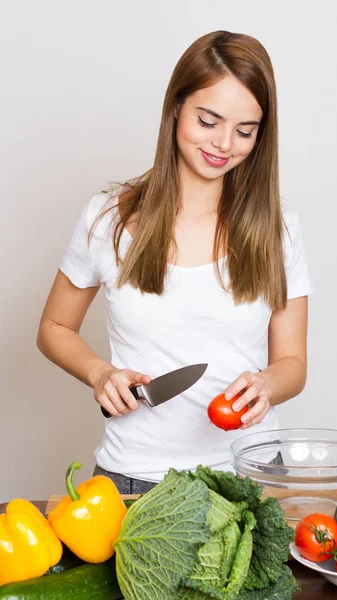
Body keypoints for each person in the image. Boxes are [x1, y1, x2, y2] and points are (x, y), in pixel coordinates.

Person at [37, 30, 314, 495]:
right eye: (208, 121)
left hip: (250, 473)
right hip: (134, 479)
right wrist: (100, 373)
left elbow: (292, 362)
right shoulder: (108, 218)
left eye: (245, 131)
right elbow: (53, 327)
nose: (224, 144)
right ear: (175, 109)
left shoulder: (278, 226)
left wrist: (266, 386)